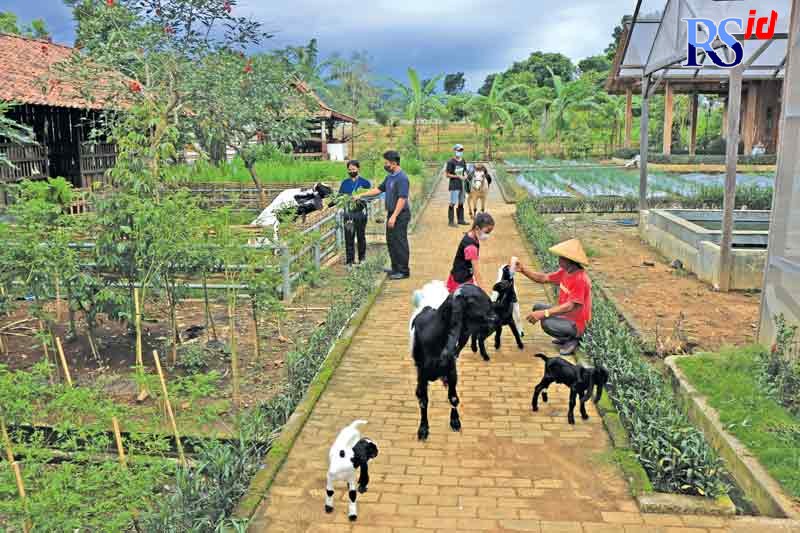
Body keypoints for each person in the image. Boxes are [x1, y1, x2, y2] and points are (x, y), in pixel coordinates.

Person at [515, 239, 592, 356]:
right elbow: (543, 278)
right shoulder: (566, 272)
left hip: (577, 322)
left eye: (561, 257)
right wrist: (523, 270)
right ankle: (565, 336)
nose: (559, 259)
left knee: (547, 323)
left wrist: (545, 313)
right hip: (566, 315)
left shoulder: (580, 279)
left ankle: (574, 338)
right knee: (538, 307)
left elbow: (570, 306)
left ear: (569, 261)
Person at [355, 150, 411, 280]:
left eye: (386, 163)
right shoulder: (390, 177)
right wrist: (361, 195)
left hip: (400, 214)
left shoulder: (402, 178)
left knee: (400, 241)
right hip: (392, 213)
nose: (385, 165)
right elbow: (379, 189)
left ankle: (403, 271)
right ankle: (395, 267)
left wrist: (394, 216)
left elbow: (402, 199)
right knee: (391, 241)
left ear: (394, 163)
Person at [446, 212, 494, 293]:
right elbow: (477, 273)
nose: (488, 235)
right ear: (477, 228)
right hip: (460, 283)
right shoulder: (471, 247)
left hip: (462, 277)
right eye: (487, 232)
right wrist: (484, 293)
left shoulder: (471, 235)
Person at [338, 160, 372, 266]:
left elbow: (370, 196)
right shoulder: (344, 183)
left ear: (358, 169)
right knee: (349, 237)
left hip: (361, 213)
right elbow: (339, 197)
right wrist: (345, 198)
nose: (351, 171)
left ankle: (362, 259)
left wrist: (361, 198)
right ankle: (350, 261)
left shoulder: (365, 183)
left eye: (353, 169)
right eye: (349, 169)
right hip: (348, 214)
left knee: (361, 236)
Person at [445, 144, 469, 227]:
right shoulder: (450, 162)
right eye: (458, 150)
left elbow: (465, 171)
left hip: (462, 184)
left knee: (461, 202)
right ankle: (451, 221)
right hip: (454, 185)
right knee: (453, 202)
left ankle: (460, 220)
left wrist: (465, 175)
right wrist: (457, 176)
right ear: (455, 151)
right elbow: (447, 174)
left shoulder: (463, 161)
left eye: (461, 151)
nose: (460, 152)